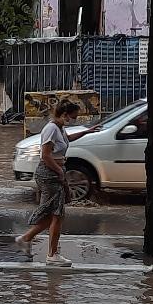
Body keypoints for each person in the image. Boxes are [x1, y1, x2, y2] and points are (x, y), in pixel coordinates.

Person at [14, 101, 99, 266]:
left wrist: (87, 132)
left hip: (55, 173)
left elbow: (67, 139)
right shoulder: (51, 129)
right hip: (49, 174)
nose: (73, 120)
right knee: (57, 215)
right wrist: (60, 172)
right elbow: (45, 155)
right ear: (64, 114)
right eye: (73, 117)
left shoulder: (59, 128)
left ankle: (26, 239)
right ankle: (51, 254)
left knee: (54, 215)